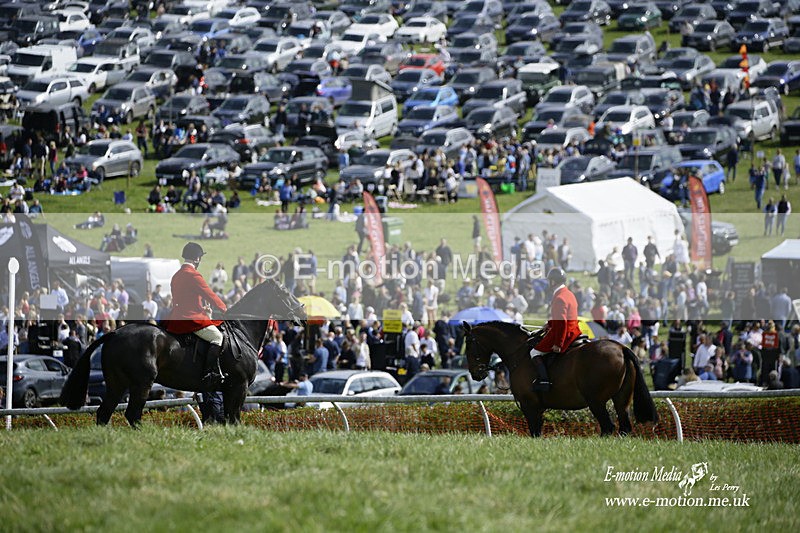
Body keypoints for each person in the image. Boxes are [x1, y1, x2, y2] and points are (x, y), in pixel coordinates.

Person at [165, 242, 228, 391]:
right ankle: (209, 373)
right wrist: (224, 308)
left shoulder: (176, 275)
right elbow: (210, 294)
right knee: (217, 338)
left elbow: (183, 299)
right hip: (190, 319)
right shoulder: (194, 275)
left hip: (176, 317)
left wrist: (201, 308)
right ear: (197, 258)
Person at [529, 268, 582, 392]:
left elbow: (562, 323)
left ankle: (544, 381)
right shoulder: (569, 293)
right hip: (573, 329)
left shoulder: (559, 298)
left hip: (563, 333)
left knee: (534, 352)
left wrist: (558, 344)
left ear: (553, 282)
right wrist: (549, 324)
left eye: (549, 281)